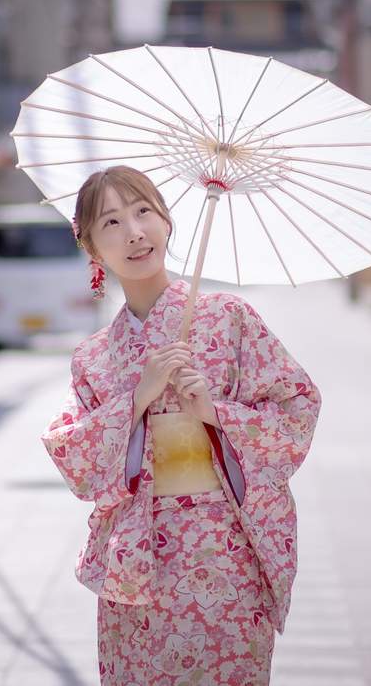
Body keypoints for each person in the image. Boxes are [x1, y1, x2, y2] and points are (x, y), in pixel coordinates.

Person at [40, 165, 321, 685]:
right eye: (112, 223)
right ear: (93, 251)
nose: (134, 231)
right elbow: (74, 456)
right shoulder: (94, 357)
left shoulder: (230, 319)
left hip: (221, 555)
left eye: (144, 211)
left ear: (168, 222)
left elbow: (297, 406)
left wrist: (215, 412)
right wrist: (138, 397)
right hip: (137, 563)